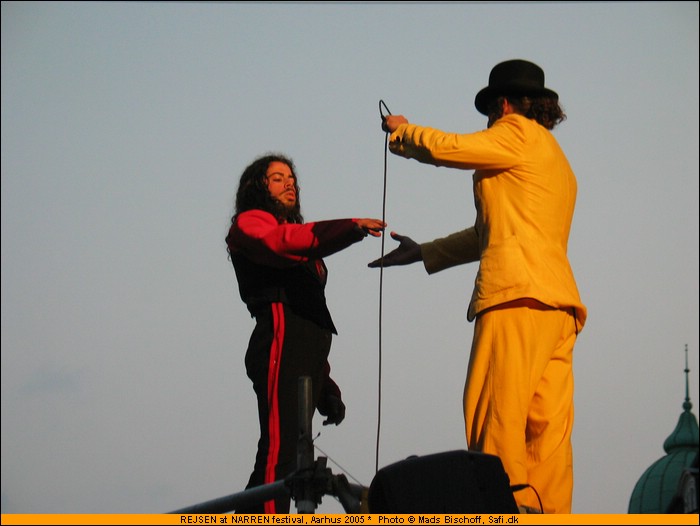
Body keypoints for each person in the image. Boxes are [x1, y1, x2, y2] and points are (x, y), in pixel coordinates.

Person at [369, 59, 587, 514]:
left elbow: (451, 147)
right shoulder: (557, 161)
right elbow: (491, 232)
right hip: (559, 308)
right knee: (545, 441)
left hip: (515, 298)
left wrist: (404, 133)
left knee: (497, 422)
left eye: (490, 113)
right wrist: (426, 251)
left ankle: (497, 513)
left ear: (503, 104)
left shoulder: (516, 132)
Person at [226, 153, 385, 513]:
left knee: (293, 457)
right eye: (277, 178)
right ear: (258, 186)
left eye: (291, 178)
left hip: (304, 350)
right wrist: (348, 227)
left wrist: (325, 385)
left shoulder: (291, 231)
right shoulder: (251, 223)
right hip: (279, 344)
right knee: (279, 451)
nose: (289, 183)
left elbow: (310, 313)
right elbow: (281, 242)